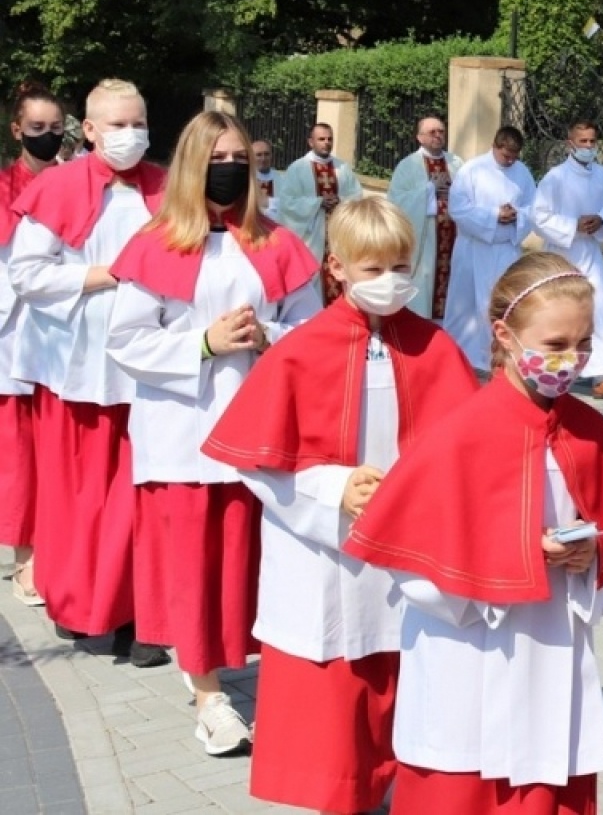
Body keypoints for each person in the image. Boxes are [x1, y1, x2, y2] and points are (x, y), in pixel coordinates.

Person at [347, 251, 603, 813]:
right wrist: (518, 556)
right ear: (505, 335)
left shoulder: (589, 430)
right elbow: (411, 569)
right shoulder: (458, 436)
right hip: (469, 659)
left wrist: (587, 556)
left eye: (584, 342)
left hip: (552, 648)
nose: (571, 359)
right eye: (554, 345)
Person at [200, 198, 478, 813]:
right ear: (338, 268)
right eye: (373, 269)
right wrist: (333, 489)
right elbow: (256, 460)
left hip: (409, 551)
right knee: (334, 712)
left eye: (401, 266)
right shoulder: (301, 349)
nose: (390, 282)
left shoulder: (435, 346)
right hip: (325, 558)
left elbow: (470, 449)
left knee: (411, 689)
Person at [106, 111, 322, 755]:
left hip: (258, 432)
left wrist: (267, 336)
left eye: (239, 159)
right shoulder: (159, 241)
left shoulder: (277, 242)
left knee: (257, 567)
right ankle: (209, 697)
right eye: (217, 157)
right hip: (183, 430)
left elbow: (311, 334)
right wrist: (203, 342)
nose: (229, 168)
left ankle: (263, 676)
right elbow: (125, 339)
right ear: (192, 165)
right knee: (194, 572)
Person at [8, 78, 168, 665]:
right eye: (118, 125)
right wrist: (106, 274)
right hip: (76, 362)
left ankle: (137, 613)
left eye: (139, 123)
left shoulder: (167, 184)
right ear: (91, 130)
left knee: (139, 494)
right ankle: (81, 605)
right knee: (78, 496)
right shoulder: (60, 186)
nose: (131, 135)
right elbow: (28, 273)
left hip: (149, 361)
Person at [1, 82, 65, 607]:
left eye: (56, 127)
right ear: (17, 130)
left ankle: (62, 551)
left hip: (68, 336)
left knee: (61, 453)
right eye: (37, 128)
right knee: (21, 453)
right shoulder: (4, 187)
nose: (48, 136)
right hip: (15, 333)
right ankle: (26, 558)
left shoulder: (80, 182)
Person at [532, 121, 603, 400]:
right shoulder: (555, 177)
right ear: (569, 144)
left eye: (592, 141)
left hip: (590, 251)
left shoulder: (602, 175)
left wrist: (600, 220)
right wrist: (572, 225)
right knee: (559, 310)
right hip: (563, 253)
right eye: (582, 141)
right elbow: (540, 216)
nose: (588, 147)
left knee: (599, 309)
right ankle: (554, 370)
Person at [442, 127, 537, 372]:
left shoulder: (522, 172)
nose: (511, 160)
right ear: (496, 146)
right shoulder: (472, 170)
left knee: (501, 305)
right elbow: (458, 208)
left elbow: (533, 207)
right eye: (507, 155)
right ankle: (457, 359)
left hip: (505, 249)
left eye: (515, 156)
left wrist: (517, 216)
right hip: (474, 249)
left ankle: (498, 360)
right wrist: (495, 215)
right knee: (467, 307)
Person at [386, 115, 460, 322]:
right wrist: (429, 190)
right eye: (432, 132)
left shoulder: (456, 163)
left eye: (441, 131)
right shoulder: (408, 165)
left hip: (454, 239)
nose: (438, 136)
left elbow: (469, 195)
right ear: (420, 137)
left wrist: (452, 193)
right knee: (425, 286)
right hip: (425, 244)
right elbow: (396, 201)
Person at [279, 122, 362, 305]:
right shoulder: (298, 168)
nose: (326, 143)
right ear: (311, 142)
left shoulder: (342, 168)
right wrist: (317, 203)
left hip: (338, 234)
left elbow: (356, 194)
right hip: (312, 237)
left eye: (329, 139)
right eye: (321, 139)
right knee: (314, 277)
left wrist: (340, 201)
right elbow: (287, 202)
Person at [252, 140, 282, 221]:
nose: (263, 159)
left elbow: (289, 205)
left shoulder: (282, 179)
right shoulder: (247, 179)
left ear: (271, 155)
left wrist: (269, 202)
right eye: (258, 155)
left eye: (266, 154)